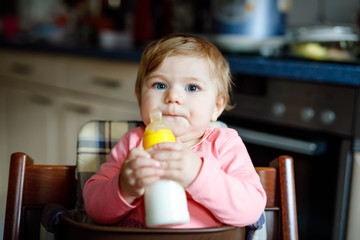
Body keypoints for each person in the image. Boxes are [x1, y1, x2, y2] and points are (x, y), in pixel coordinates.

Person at [83, 33, 266, 228]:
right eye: (160, 85)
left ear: (217, 106)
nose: (173, 97)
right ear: (140, 97)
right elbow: (94, 209)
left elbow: (251, 210)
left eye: (192, 88)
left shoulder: (224, 144)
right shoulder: (132, 143)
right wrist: (124, 188)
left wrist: (198, 174)